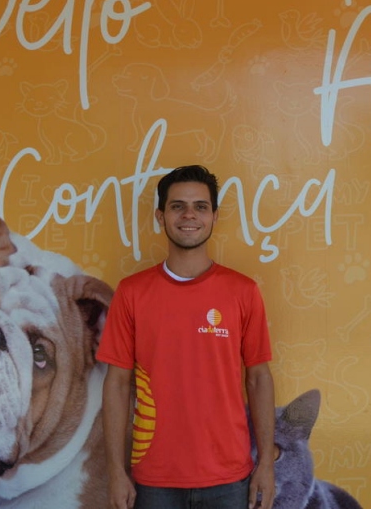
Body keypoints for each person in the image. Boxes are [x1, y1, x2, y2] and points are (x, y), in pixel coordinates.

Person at [98, 165, 276, 509]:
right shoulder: (132, 292)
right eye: (178, 206)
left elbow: (258, 378)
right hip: (154, 479)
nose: (189, 215)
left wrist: (266, 464)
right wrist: (115, 470)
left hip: (229, 478)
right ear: (161, 216)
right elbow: (117, 384)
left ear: (214, 216)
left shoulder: (243, 291)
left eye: (200, 206)